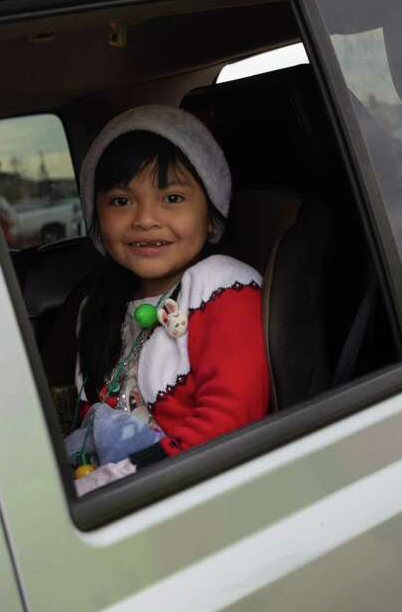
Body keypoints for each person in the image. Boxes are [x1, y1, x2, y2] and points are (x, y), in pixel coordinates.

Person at [66, 106, 269, 495]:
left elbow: (230, 420)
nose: (145, 219)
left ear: (210, 217)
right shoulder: (97, 307)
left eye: (172, 198)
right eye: (121, 202)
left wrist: (113, 482)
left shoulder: (224, 288)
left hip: (192, 489)